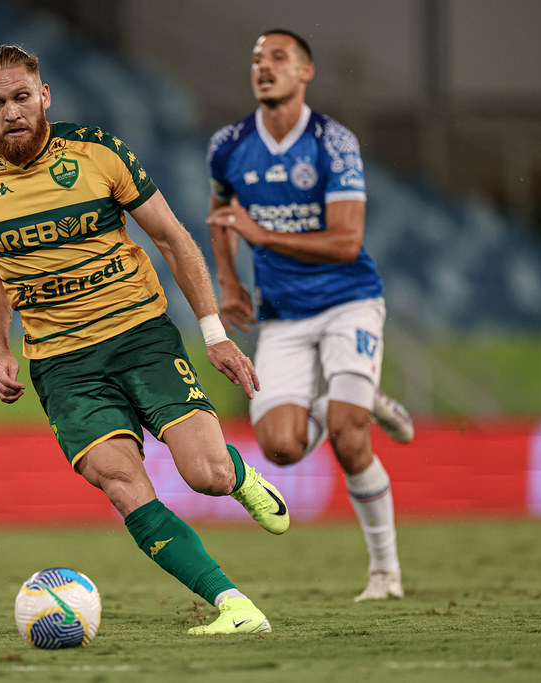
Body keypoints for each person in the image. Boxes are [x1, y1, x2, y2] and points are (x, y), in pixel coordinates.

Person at [0, 44, 289, 635]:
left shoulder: (99, 153)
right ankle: (233, 604)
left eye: (22, 97)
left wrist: (215, 335)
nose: (12, 112)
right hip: (61, 365)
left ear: (44, 96)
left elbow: (175, 239)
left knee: (203, 474)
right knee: (121, 480)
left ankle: (238, 475)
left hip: (139, 337)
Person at [205, 29, 416, 601]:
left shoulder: (333, 141)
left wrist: (260, 235)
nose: (264, 67)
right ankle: (356, 396)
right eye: (256, 60)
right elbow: (220, 211)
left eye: (278, 58)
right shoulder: (229, 144)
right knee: (279, 448)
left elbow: (348, 241)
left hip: (348, 302)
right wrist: (227, 279)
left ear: (305, 72)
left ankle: (384, 574)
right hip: (283, 316)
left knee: (350, 441)